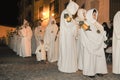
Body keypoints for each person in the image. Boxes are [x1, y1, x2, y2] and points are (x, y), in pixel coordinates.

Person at [80, 8, 108, 78]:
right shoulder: (84, 23)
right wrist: (98, 36)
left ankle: (99, 70)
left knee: (99, 58)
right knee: (90, 58)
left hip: (98, 44)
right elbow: (88, 33)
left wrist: (101, 35)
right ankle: (90, 72)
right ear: (89, 14)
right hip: (89, 44)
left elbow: (103, 31)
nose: (95, 16)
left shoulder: (97, 24)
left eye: (96, 15)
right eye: (93, 14)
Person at [57, 0, 79, 73]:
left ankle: (70, 66)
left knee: (69, 50)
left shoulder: (68, 13)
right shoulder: (66, 13)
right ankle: (66, 67)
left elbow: (71, 22)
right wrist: (75, 24)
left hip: (69, 36)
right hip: (66, 37)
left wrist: (75, 23)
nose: (75, 12)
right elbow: (68, 23)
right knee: (67, 50)